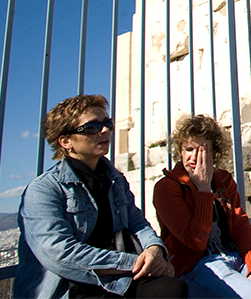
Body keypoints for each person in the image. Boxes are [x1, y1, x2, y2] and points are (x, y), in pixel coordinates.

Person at [16, 94, 185, 299]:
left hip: (116, 278)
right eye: (91, 127)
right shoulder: (43, 190)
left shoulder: (115, 180)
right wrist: (133, 262)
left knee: (172, 289)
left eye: (107, 123)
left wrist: (155, 250)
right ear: (66, 141)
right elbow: (60, 254)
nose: (104, 130)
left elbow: (137, 222)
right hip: (71, 287)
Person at [153, 115, 251, 299]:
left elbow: (240, 226)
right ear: (180, 152)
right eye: (188, 149)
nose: (194, 157)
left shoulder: (223, 181)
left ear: (213, 153)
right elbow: (195, 240)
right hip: (198, 266)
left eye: (202, 150)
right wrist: (204, 190)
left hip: (234, 258)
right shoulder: (167, 188)